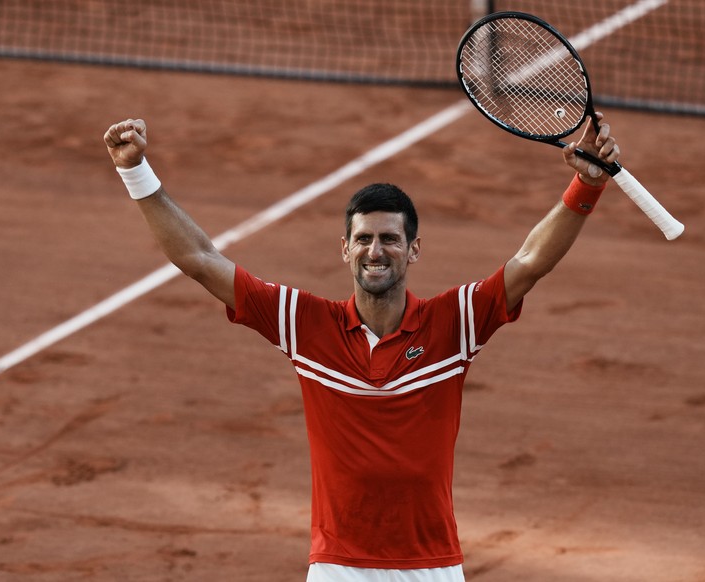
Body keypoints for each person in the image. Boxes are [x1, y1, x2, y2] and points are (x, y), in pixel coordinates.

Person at [103, 112, 619, 582]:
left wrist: (585, 184)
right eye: (365, 239)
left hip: (433, 567)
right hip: (337, 568)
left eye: (390, 239)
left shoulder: (454, 322)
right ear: (345, 248)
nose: (377, 251)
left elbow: (529, 263)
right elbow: (199, 258)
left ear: (413, 249)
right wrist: (136, 172)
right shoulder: (303, 324)